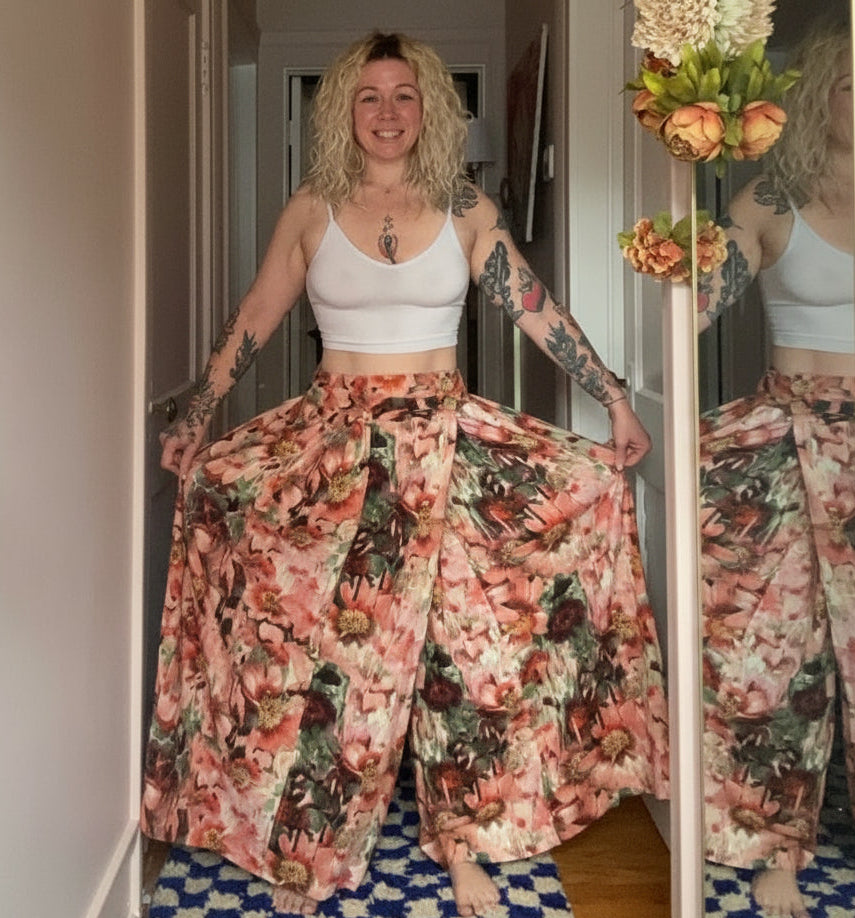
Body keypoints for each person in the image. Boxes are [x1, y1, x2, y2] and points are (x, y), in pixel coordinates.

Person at [140, 31, 669, 917]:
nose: (387, 114)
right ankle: (308, 844)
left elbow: (533, 307)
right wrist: (195, 415)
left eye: (403, 97)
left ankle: (462, 846)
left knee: (459, 660)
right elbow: (256, 318)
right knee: (328, 657)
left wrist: (613, 397)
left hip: (446, 448)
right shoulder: (310, 208)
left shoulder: (464, 208)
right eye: (368, 97)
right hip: (335, 451)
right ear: (344, 111)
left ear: (429, 108)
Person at [696, 15, 855, 918]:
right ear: (818, 97)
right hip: (788, 439)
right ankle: (774, 851)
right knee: (774, 656)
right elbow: (702, 305)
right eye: (848, 85)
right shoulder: (767, 202)